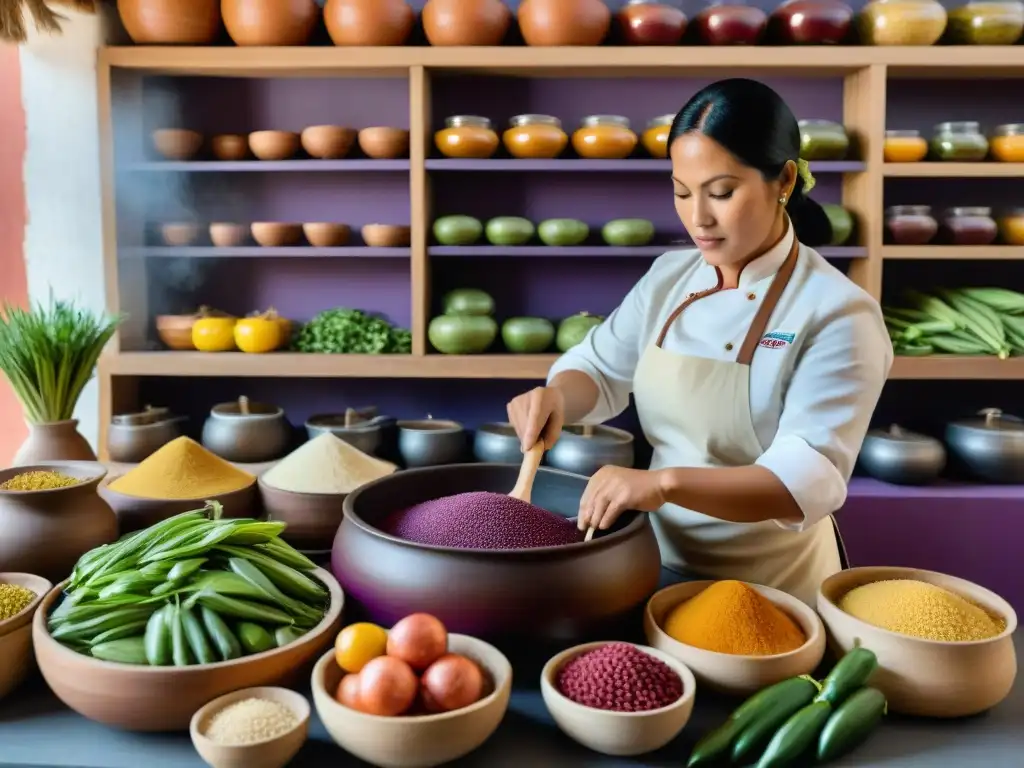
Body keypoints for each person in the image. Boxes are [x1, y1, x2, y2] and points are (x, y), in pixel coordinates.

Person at [506, 79, 892, 606]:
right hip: (653, 566)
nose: (698, 219)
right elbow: (599, 368)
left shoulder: (839, 313)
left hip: (770, 590)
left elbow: (805, 481)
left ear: (782, 180)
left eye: (722, 192)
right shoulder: (670, 276)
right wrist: (557, 397)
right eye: (682, 192)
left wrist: (663, 484)